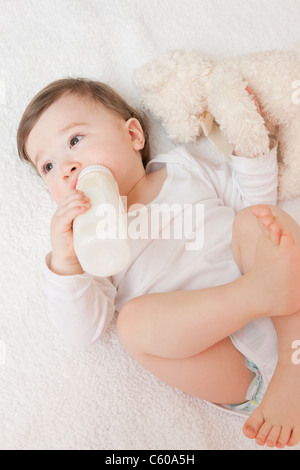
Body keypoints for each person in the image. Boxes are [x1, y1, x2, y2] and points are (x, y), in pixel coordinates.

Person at [17, 78, 300, 448]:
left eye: (74, 141)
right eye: (48, 167)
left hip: (282, 322)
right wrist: (67, 262)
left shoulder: (181, 167)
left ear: (133, 135)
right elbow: (83, 333)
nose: (66, 168)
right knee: (133, 326)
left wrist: (251, 151)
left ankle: (291, 359)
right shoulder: (89, 243)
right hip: (231, 363)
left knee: (259, 220)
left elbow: (251, 200)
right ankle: (260, 298)